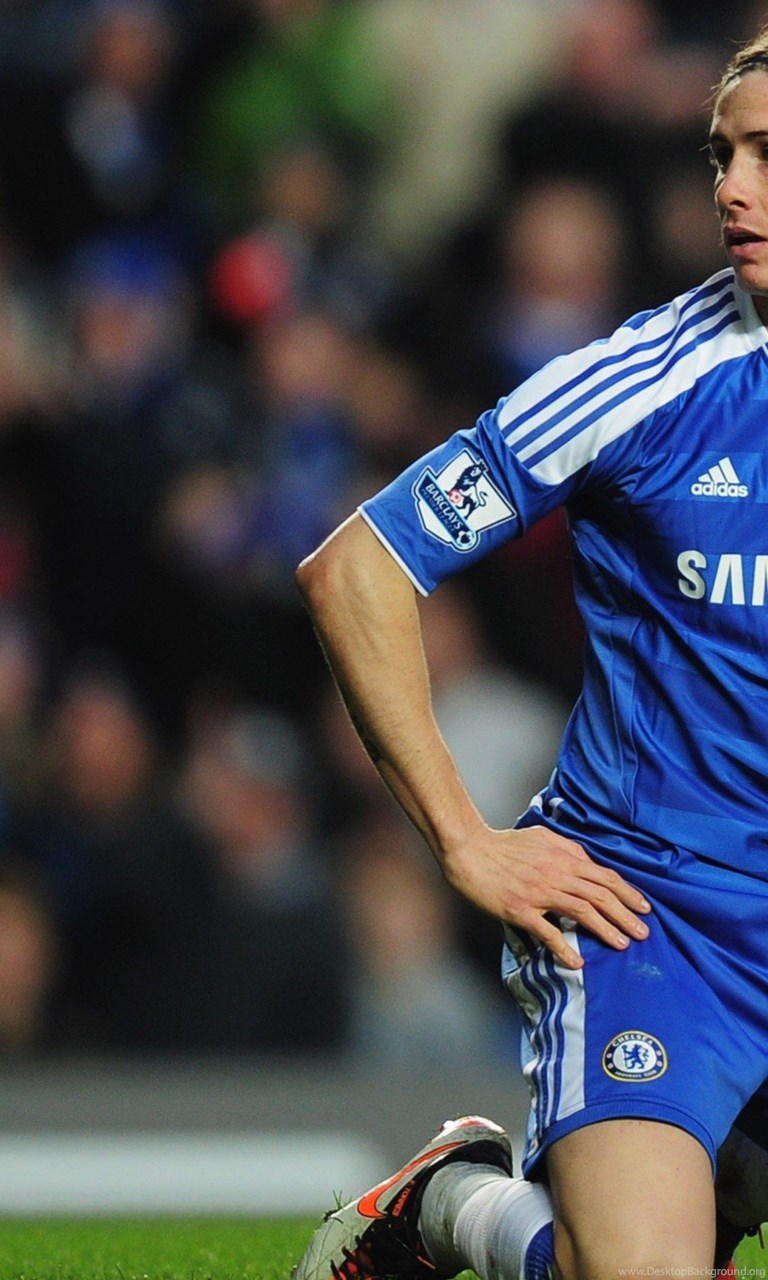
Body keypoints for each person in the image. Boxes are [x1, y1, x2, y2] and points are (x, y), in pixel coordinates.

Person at [292, 21, 768, 1280]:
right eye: (721, 155)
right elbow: (356, 567)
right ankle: (454, 1200)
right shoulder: (641, 383)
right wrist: (464, 837)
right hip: (652, 920)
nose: (731, 188)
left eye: (767, 154)